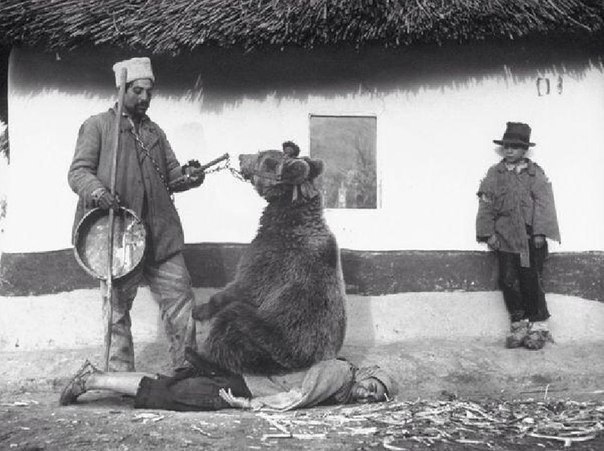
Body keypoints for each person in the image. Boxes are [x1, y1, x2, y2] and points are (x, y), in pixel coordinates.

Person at [68, 57, 205, 371]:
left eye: (149, 92)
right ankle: (119, 375)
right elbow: (78, 173)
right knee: (116, 310)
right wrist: (98, 192)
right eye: (137, 91)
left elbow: (171, 176)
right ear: (122, 89)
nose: (145, 98)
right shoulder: (98, 126)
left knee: (181, 298)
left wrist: (191, 176)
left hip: (160, 235)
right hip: (118, 233)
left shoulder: (155, 133)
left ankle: (188, 369)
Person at [476, 122, 560, 350]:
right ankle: (519, 324)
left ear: (524, 150)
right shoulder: (495, 174)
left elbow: (544, 204)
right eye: (507, 146)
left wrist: (541, 232)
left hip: (531, 239)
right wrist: (487, 234)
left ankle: (539, 327)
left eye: (515, 146)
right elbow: (486, 204)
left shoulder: (535, 174)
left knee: (531, 280)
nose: (510, 150)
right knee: (508, 280)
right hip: (505, 240)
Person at [59, 358, 397, 411]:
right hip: (243, 387)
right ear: (367, 375)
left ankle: (96, 378)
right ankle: (91, 379)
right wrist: (248, 405)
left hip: (246, 383)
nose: (367, 396)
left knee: (167, 390)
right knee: (167, 393)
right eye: (373, 388)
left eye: (373, 399)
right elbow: (299, 397)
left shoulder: (344, 385)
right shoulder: (340, 373)